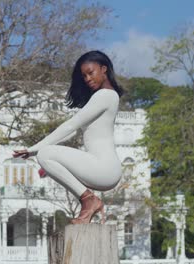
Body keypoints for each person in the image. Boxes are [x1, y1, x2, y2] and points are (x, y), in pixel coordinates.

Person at [13, 50, 123, 224]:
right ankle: (88, 203)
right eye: (84, 76)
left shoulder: (106, 95)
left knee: (45, 154)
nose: (87, 79)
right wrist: (35, 153)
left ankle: (89, 200)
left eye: (91, 73)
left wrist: (34, 149)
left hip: (105, 168)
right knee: (46, 155)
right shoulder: (104, 97)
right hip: (104, 168)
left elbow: (71, 125)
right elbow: (72, 132)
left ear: (104, 69)